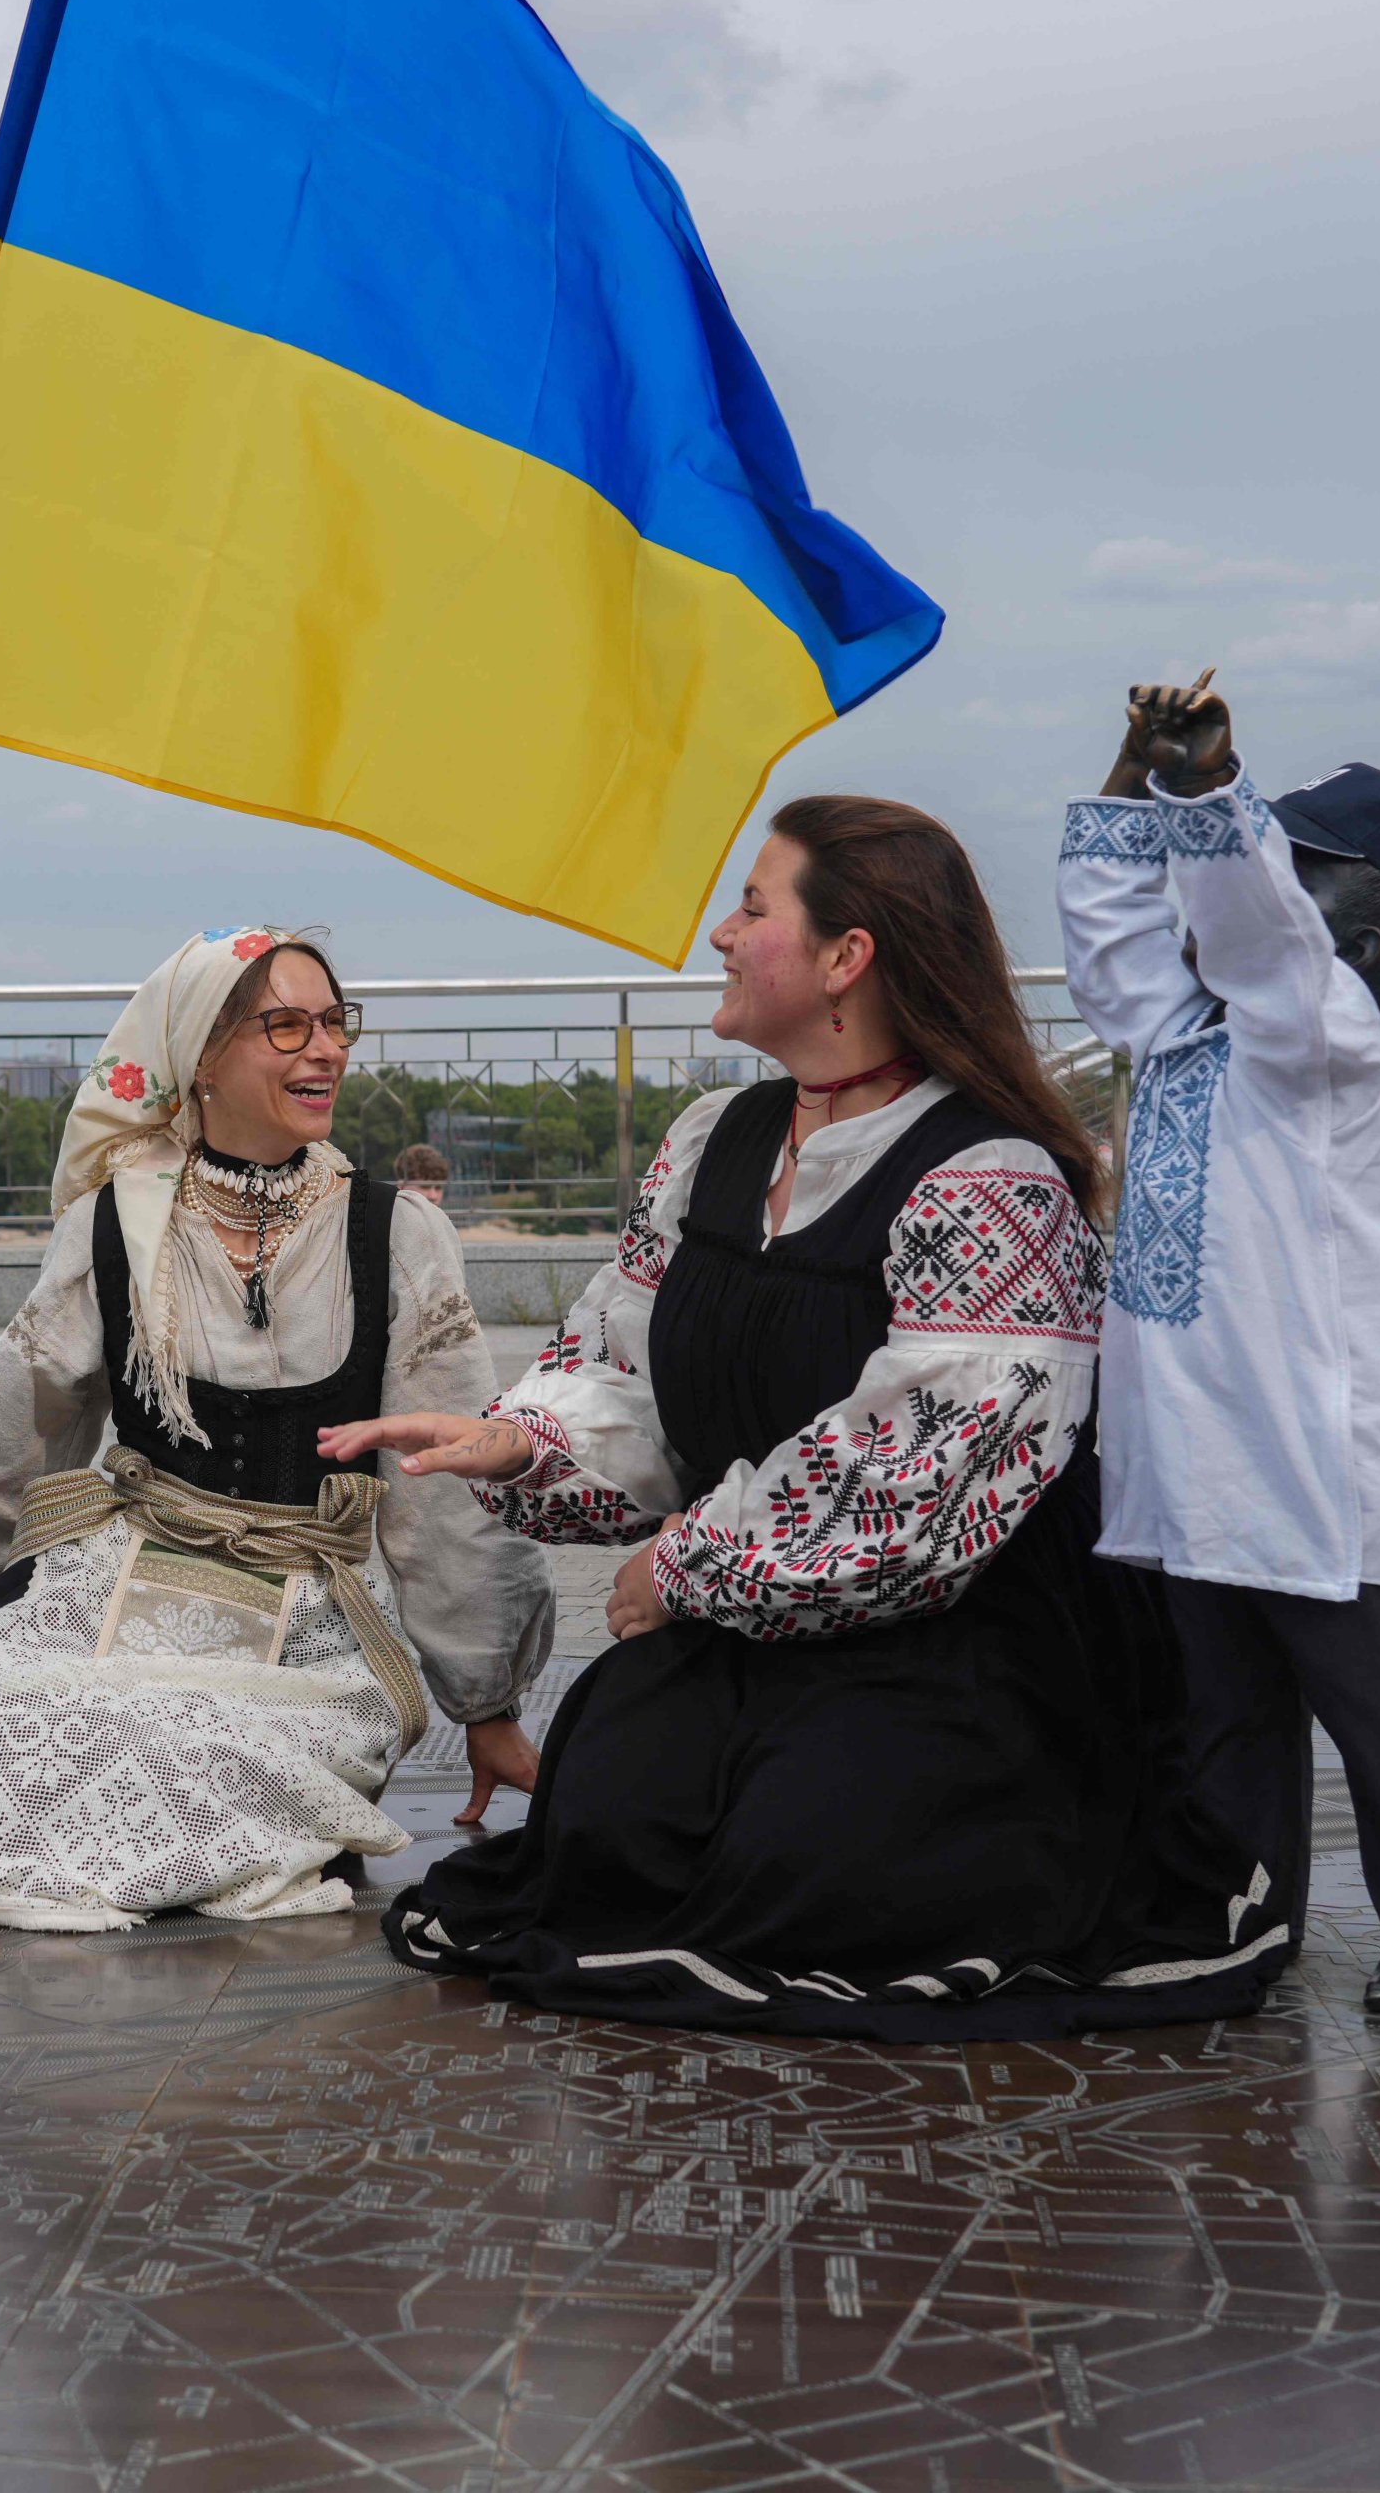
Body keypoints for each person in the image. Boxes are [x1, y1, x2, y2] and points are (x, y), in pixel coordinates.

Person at [336, 799, 1285, 2039]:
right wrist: (525, 1440)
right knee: (615, 1806)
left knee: (817, 1854)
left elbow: (920, 1483)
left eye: (754, 905)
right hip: (762, 1620)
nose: (721, 934)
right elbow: (628, 1360)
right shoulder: (711, 1145)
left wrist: (690, 1563)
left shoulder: (992, 1182)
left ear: (847, 958)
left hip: (964, 1632)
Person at [0, 926, 554, 1921]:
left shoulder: (398, 1235)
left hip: (295, 1637)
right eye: (286, 1026)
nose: (327, 1050)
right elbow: (4, 1447)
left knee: (203, 1762)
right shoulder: (114, 1224)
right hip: (111, 1600)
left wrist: (487, 1705)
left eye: (333, 1022)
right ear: (202, 1056)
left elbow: (451, 1488)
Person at [1058, 680, 1380, 2016]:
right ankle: (1238, 1910)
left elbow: (1264, 945)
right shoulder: (1180, 1038)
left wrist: (1206, 797)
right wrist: (1132, 786)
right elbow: (1111, 944)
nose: (1221, 896)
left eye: (1271, 866)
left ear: (1355, 923)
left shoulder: (1324, 1041)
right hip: (1193, 1451)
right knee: (1222, 1707)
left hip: (1313, 1457)